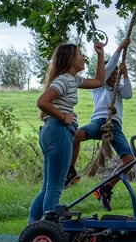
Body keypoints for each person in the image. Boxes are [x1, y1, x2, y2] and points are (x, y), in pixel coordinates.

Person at [27, 41, 105, 223]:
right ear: (70, 59)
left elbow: (99, 81)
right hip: (59, 131)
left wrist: (100, 55)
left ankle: (32, 227)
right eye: (79, 54)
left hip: (50, 132)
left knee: (47, 187)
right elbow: (42, 101)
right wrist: (63, 116)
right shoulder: (63, 80)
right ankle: (49, 231)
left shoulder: (71, 79)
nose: (83, 57)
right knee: (55, 188)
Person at [64, 37, 133, 211]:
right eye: (113, 74)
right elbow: (107, 68)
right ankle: (70, 170)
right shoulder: (98, 87)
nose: (114, 76)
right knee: (76, 135)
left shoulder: (117, 91)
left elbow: (128, 93)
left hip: (114, 126)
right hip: (99, 122)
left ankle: (106, 188)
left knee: (130, 160)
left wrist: (125, 75)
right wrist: (119, 48)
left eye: (117, 75)